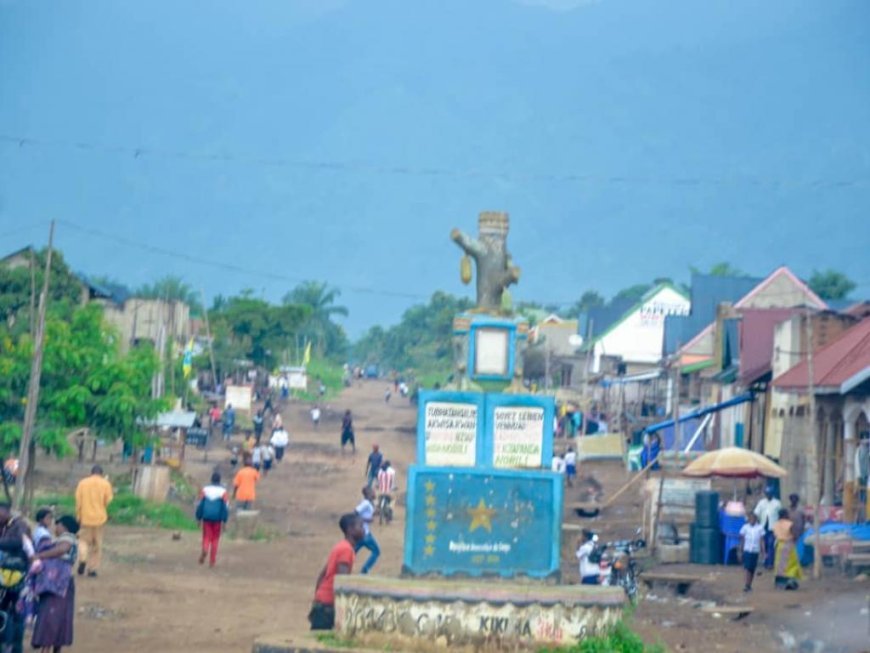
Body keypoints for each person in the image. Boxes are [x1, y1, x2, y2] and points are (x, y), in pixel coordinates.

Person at [31, 514, 80, 653]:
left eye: (57, 525)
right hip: (64, 583)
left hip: (57, 584)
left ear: (63, 526)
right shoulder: (71, 539)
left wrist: (40, 556)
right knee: (61, 617)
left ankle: (46, 649)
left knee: (50, 617)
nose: (55, 528)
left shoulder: (67, 538)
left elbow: (61, 549)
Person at [309, 513, 364, 631]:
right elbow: (342, 581)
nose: (363, 530)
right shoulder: (346, 550)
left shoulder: (340, 546)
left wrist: (318, 597)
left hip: (322, 602)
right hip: (328, 605)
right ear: (350, 529)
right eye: (360, 526)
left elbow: (322, 575)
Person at [74, 465, 113, 578]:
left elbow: (78, 501)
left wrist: (78, 515)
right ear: (101, 473)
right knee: (97, 545)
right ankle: (92, 569)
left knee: (83, 541)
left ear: (91, 473)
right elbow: (108, 500)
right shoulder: (105, 484)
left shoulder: (82, 483)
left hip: (85, 518)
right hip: (100, 519)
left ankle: (82, 559)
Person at [0, 502, 29, 652]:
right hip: (5, 575)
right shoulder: (5, 525)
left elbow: (17, 542)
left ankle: (15, 647)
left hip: (19, 575)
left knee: (17, 612)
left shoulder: (20, 525)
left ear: (5, 511)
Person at [195, 473, 229, 567]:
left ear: (211, 480)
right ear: (219, 480)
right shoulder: (223, 491)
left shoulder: (205, 489)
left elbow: (200, 504)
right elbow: (225, 507)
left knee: (206, 536)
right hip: (217, 519)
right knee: (215, 539)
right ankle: (212, 561)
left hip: (206, 518)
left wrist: (198, 518)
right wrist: (225, 521)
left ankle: (205, 549)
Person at [773, 508, 803, 589]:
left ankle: (779, 583)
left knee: (779, 565)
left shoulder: (776, 524)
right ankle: (790, 581)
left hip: (779, 545)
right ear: (785, 515)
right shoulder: (789, 524)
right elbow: (795, 534)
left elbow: (775, 535)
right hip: (788, 545)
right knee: (791, 564)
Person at [753, 486, 782, 569]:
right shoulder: (761, 502)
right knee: (764, 545)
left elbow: (780, 514)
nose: (768, 495)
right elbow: (756, 513)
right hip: (763, 527)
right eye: (767, 493)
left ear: (772, 494)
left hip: (773, 528)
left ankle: (770, 563)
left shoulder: (777, 503)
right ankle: (765, 561)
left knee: (771, 544)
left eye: (769, 493)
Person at [354, 487, 380, 574]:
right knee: (376, 551)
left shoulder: (368, 503)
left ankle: (343, 568)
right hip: (364, 534)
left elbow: (367, 514)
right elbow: (355, 512)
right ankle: (365, 569)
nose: (374, 493)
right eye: (373, 492)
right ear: (368, 493)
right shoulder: (365, 503)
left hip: (361, 533)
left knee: (352, 552)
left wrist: (374, 514)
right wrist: (366, 520)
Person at [738, 511, 765, 592]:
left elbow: (761, 540)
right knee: (747, 567)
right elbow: (742, 540)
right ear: (748, 519)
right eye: (750, 519)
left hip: (755, 550)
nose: (752, 520)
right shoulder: (745, 527)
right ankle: (746, 585)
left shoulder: (760, 528)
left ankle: (749, 585)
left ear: (756, 519)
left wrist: (763, 551)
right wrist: (740, 550)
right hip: (747, 550)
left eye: (753, 519)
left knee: (752, 569)